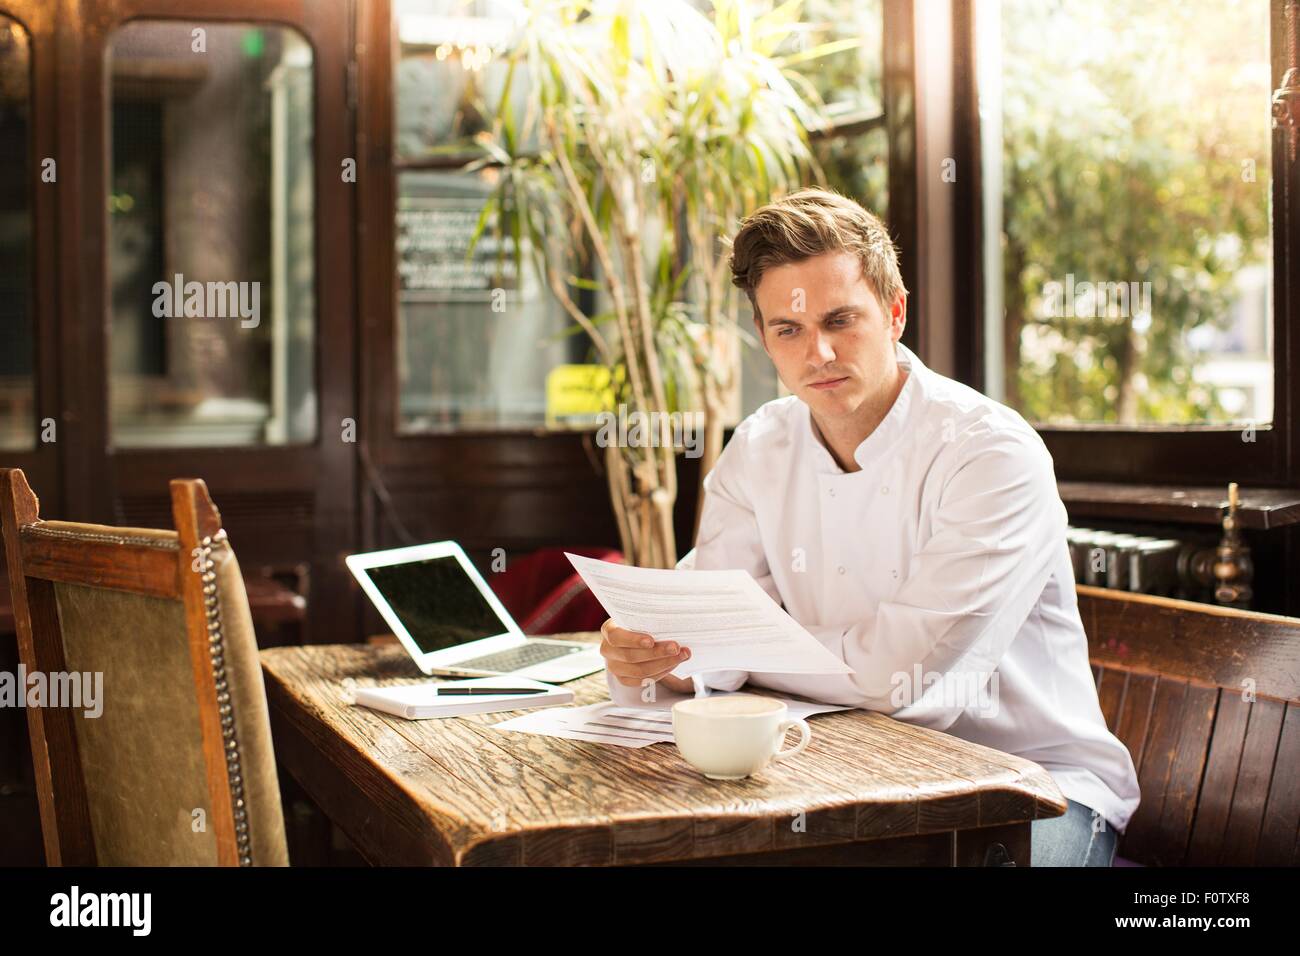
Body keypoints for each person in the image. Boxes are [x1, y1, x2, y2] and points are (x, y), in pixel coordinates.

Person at [599, 187, 1138, 866]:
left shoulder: (989, 453)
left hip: (1034, 787)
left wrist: (741, 647)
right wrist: (659, 660)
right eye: (787, 329)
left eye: (841, 319)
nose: (817, 352)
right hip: (839, 779)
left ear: (895, 312)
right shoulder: (761, 446)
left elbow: (898, 680)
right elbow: (713, 641)